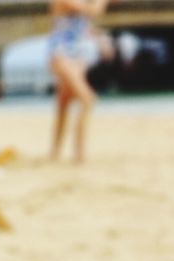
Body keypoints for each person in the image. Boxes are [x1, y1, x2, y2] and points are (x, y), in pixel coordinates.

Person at [49, 0, 111, 161]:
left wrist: (100, 39)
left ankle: (55, 153)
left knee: (63, 102)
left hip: (77, 55)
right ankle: (79, 154)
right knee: (87, 99)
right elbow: (93, 11)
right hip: (61, 53)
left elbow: (81, 26)